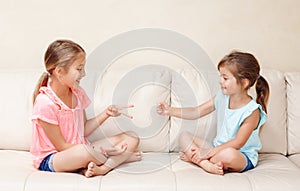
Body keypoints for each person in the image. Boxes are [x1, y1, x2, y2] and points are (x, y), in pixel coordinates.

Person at [31, 39, 141, 177]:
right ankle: (116, 159)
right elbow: (62, 147)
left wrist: (107, 113)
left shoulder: (77, 93)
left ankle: (101, 168)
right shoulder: (45, 103)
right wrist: (101, 150)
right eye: (79, 68)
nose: (84, 74)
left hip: (83, 149)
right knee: (84, 152)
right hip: (54, 158)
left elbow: (83, 129)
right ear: (59, 71)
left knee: (132, 137)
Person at [157, 51, 269, 175]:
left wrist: (209, 152)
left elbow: (238, 142)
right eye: (220, 76)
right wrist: (170, 110)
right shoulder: (222, 97)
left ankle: (198, 160)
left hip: (241, 156)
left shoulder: (252, 111)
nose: (220, 81)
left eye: (225, 78)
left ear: (244, 83)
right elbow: (196, 111)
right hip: (217, 149)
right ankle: (205, 163)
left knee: (228, 154)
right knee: (184, 136)